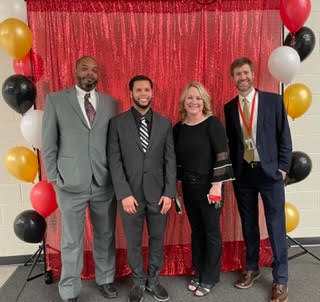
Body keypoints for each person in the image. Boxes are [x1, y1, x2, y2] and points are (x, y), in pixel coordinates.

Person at [42, 56, 118, 302]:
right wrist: (54, 177)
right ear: (75, 70)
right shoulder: (55, 100)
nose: (89, 73)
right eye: (84, 68)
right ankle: (69, 289)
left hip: (103, 182)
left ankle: (105, 279)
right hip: (69, 183)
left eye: (94, 70)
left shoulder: (110, 103)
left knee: (105, 235)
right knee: (71, 240)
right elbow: (49, 142)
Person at [224, 57, 292, 302]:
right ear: (232, 79)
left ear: (253, 74)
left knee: (275, 226)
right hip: (244, 175)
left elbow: (284, 136)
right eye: (237, 75)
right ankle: (251, 267)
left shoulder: (273, 101)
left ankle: (281, 279)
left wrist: (283, 168)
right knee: (249, 224)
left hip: (270, 174)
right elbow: (233, 142)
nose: (242, 78)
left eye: (245, 73)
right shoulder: (229, 107)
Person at [107, 75, 176, 302]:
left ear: (152, 92)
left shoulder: (165, 123)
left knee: (157, 239)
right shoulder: (117, 123)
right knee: (133, 241)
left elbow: (170, 160)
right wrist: (123, 193)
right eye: (138, 90)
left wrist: (169, 193)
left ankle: (153, 280)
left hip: (159, 196)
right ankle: (137, 281)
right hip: (130, 197)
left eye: (147, 89)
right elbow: (114, 161)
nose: (143, 93)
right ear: (131, 93)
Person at [173, 82, 234, 297]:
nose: (194, 102)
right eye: (189, 97)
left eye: (198, 98)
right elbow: (175, 163)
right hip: (189, 188)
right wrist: (176, 190)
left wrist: (216, 186)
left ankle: (210, 276)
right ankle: (198, 272)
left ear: (204, 101)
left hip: (211, 189)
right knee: (197, 232)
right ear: (183, 101)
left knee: (211, 233)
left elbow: (222, 156)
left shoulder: (212, 124)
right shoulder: (178, 128)